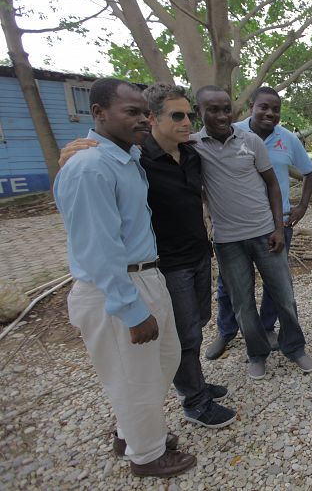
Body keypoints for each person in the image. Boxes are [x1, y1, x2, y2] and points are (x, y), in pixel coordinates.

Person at [58, 84, 237, 429]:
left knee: (196, 326)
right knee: (184, 335)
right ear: (154, 118)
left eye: (190, 115)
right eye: (178, 116)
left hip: (199, 254)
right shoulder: (138, 157)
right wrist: (69, 156)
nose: (188, 122)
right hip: (167, 265)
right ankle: (194, 401)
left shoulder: (191, 153)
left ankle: (195, 383)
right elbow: (91, 183)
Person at [53, 78, 196, 478]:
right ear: (98, 113)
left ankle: (130, 431)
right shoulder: (89, 167)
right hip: (117, 286)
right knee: (134, 375)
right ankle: (146, 455)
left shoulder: (125, 157)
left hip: (146, 276)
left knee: (160, 363)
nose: (142, 119)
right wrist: (130, 309)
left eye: (144, 112)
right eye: (130, 111)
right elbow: (98, 249)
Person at [191, 85, 312, 379]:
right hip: (227, 239)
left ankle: (294, 347)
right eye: (213, 109)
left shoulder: (251, 141)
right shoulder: (193, 145)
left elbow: (274, 184)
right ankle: (255, 352)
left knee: (284, 295)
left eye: (225, 109)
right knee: (241, 302)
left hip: (267, 230)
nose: (221, 115)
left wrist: (281, 225)